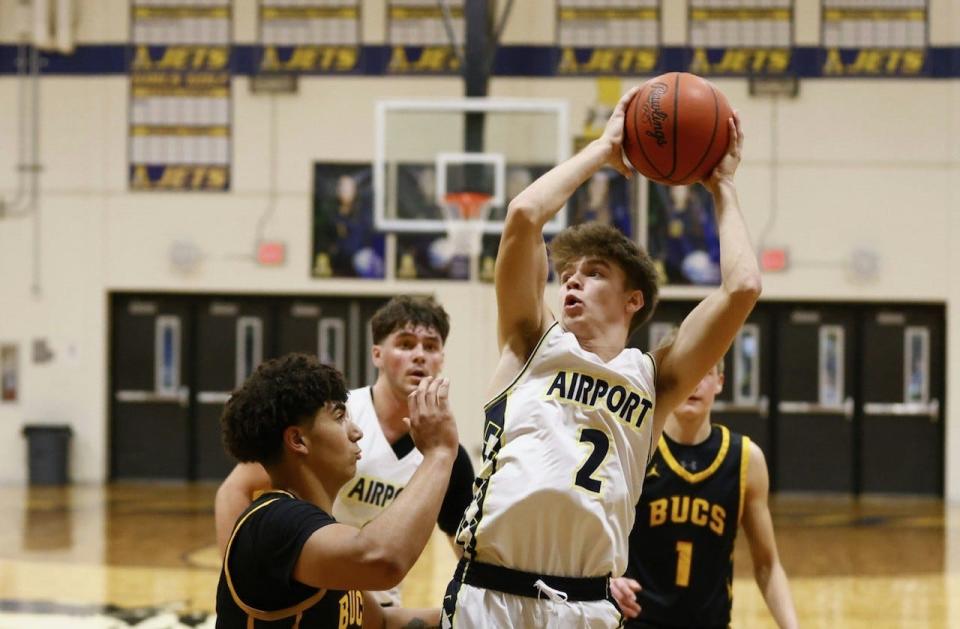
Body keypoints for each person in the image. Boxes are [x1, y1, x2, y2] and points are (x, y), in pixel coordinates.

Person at [442, 86, 760, 628]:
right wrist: (604, 149)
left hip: (585, 605)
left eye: (593, 274)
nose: (572, 283)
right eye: (567, 275)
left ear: (633, 299)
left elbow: (743, 287)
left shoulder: (654, 378)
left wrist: (722, 186)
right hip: (491, 592)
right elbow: (523, 215)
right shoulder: (530, 342)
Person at [215, 295, 476, 607]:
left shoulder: (446, 455)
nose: (419, 355)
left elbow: (468, 552)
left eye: (430, 347)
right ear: (377, 354)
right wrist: (241, 578)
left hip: (374, 607)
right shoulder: (331, 417)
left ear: (441, 359)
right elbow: (234, 488)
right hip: (315, 589)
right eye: (406, 344)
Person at [613, 332, 798, 628]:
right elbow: (594, 538)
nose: (694, 381)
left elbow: (767, 565)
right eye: (685, 371)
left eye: (705, 371)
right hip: (639, 622)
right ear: (665, 380)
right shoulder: (635, 447)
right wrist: (607, 580)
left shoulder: (746, 459)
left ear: (720, 383)